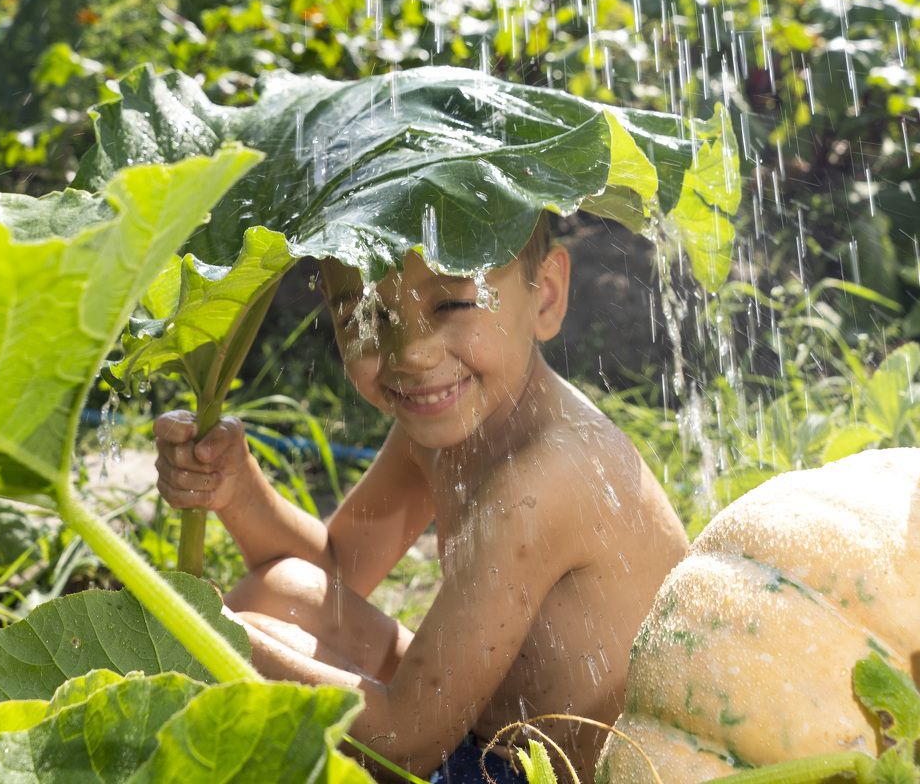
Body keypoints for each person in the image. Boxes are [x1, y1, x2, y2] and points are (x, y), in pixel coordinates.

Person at [153, 218, 687, 782]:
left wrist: (209, 634)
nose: (408, 352)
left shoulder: (542, 480)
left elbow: (405, 747)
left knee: (239, 660)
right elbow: (338, 567)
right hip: (479, 740)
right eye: (368, 315)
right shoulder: (448, 422)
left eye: (453, 305)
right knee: (285, 590)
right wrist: (236, 488)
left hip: (540, 775)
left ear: (546, 296)